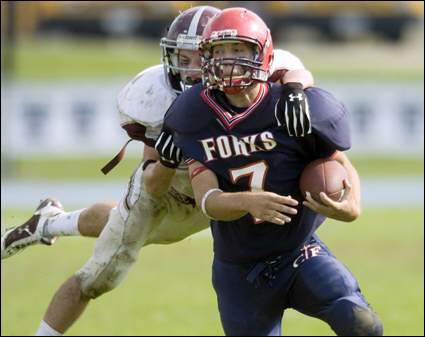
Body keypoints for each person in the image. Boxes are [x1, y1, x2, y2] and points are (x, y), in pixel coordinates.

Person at [1, 6, 315, 336]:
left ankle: (49, 222)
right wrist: (167, 160)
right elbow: (152, 185)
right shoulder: (156, 96)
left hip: (216, 194)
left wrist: (295, 90)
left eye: (199, 56)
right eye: (183, 56)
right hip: (168, 193)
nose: (191, 69)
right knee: (96, 278)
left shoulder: (254, 65)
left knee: (116, 223)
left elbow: (296, 70)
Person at [163, 7, 383, 336]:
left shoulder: (295, 105)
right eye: (219, 52)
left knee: (361, 324)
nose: (228, 60)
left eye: (238, 50)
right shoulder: (193, 112)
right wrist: (247, 203)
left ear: (263, 55)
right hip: (239, 268)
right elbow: (207, 199)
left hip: (299, 251)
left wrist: (352, 206)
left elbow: (337, 159)